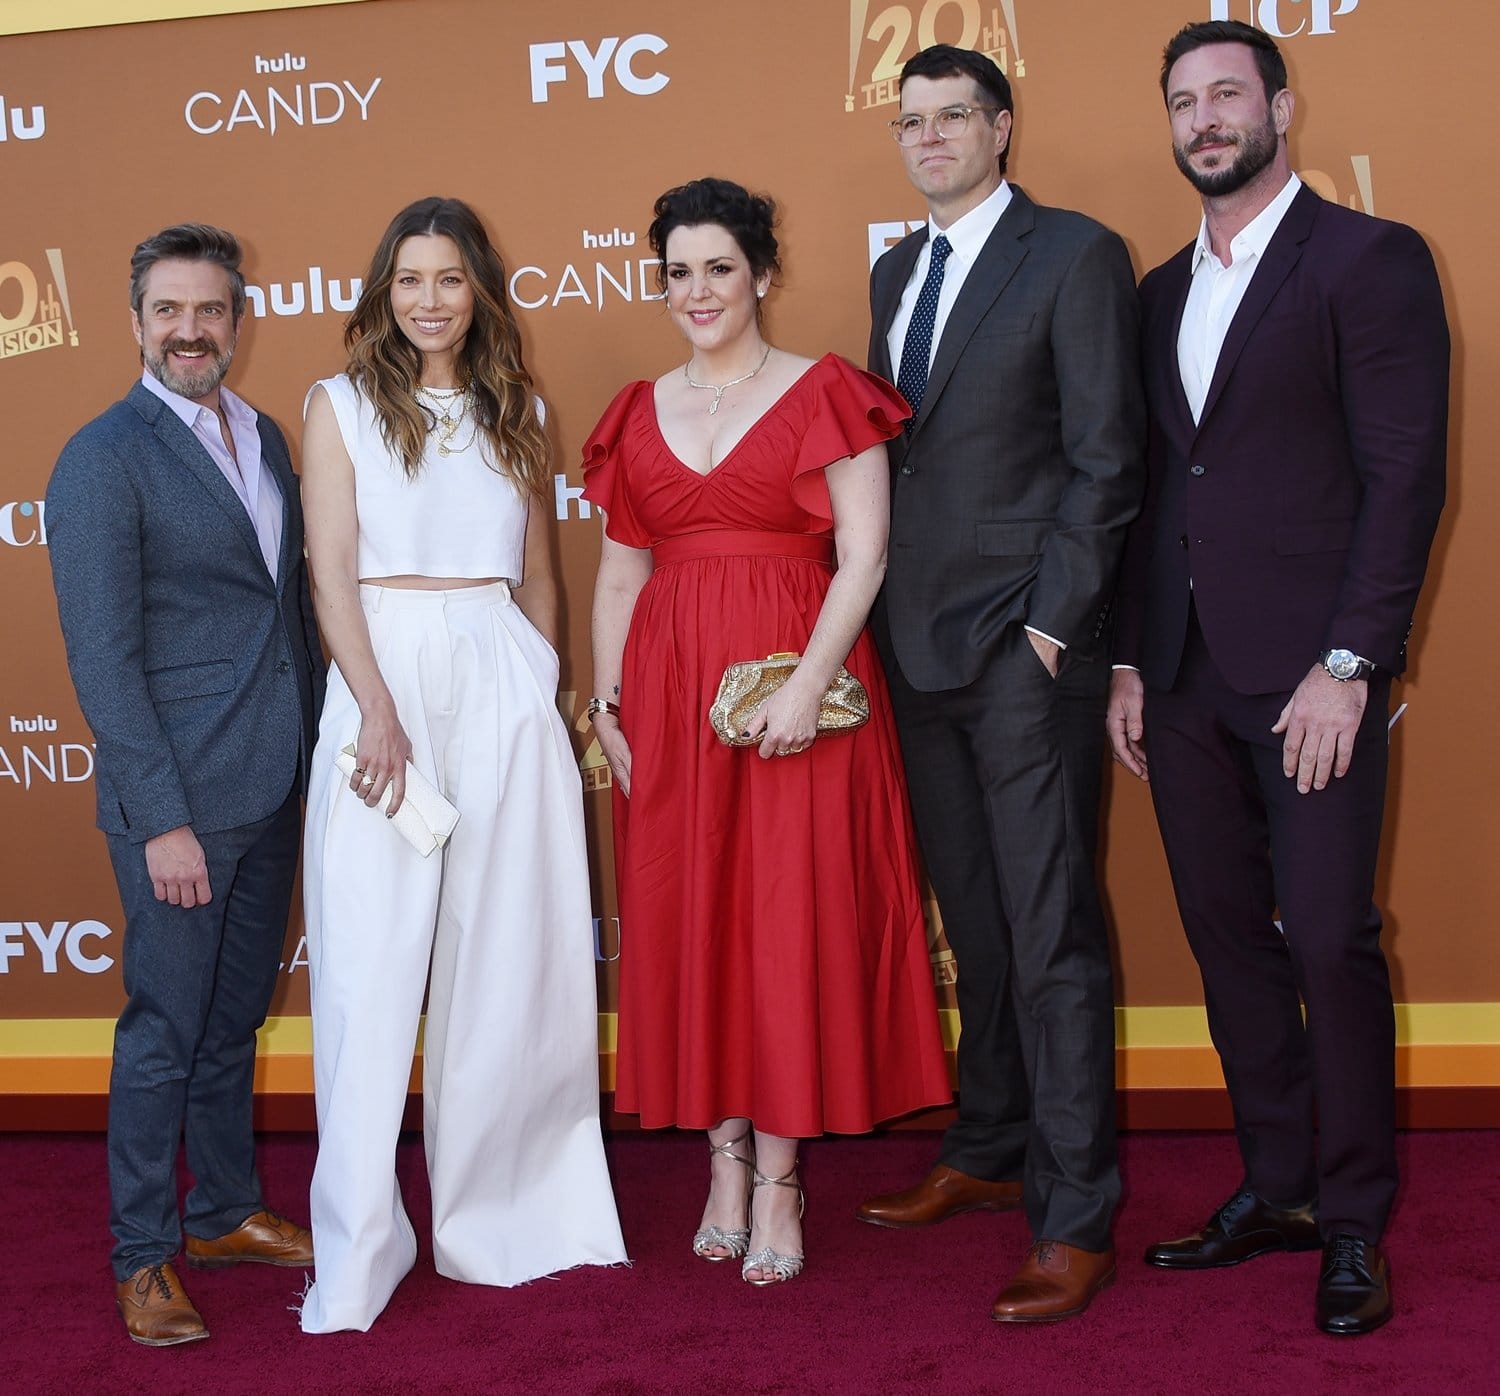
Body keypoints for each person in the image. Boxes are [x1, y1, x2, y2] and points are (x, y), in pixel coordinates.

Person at [1108, 21, 1448, 1337]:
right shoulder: (1152, 293)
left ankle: (1355, 1223)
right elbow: (1155, 497)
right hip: (1185, 679)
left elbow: (1403, 477)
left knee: (1328, 938)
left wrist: (1352, 662)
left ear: (1283, 106)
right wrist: (1136, 659)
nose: (1205, 119)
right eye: (1183, 102)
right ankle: (1281, 1185)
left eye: (1227, 95)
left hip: (1316, 679)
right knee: (1228, 947)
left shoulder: (1371, 259)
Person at [583, 177, 951, 1287]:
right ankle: (725, 1159)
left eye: (720, 269)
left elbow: (865, 555)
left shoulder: (825, 391)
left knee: (785, 924)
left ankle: (784, 1175)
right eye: (679, 271)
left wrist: (807, 687)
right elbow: (617, 575)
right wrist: (610, 709)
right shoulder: (635, 408)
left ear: (763, 275)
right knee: (697, 921)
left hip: (804, 693)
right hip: (670, 701)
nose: (699, 291)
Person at [297, 196, 626, 1333]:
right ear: (382, 291)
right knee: (367, 973)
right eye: (408, 279)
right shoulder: (336, 406)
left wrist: (539, 683)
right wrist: (374, 708)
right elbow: (329, 571)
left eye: (448, 279)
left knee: (512, 959)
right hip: (380, 672)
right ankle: (359, 1248)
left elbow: (540, 571)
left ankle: (514, 1215)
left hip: (499, 676)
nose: (428, 299)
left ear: (479, 289)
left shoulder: (517, 408)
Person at [857, 44, 1145, 1323]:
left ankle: (1075, 1216)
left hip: (1026, 650)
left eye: (953, 118)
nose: (929, 139)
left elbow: (1105, 459)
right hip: (915, 650)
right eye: (911, 121)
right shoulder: (896, 268)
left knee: (1052, 939)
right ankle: (988, 1146)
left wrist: (1052, 629)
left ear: (1002, 126)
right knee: (976, 926)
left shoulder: (1075, 253)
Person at [45, 223, 324, 1347]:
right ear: (136, 323)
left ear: (237, 320)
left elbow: (279, 607)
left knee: (231, 1022)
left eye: (210, 310)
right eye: (170, 310)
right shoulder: (102, 456)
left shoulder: (262, 436)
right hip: (180, 807)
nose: (191, 330)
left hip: (274, 778)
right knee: (165, 1027)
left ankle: (220, 1210)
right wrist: (160, 820)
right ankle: (145, 1257)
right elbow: (103, 660)